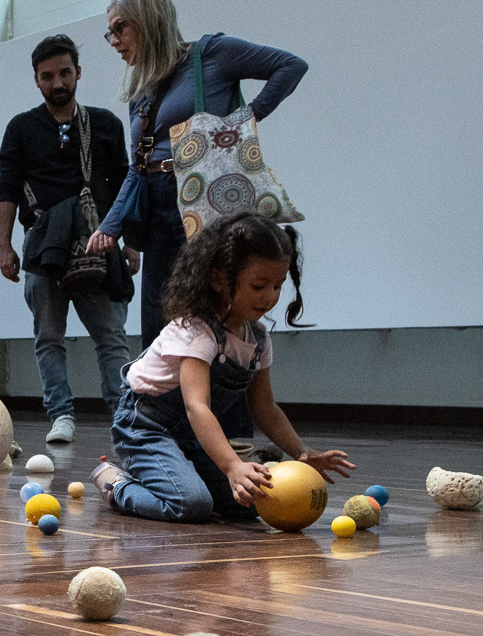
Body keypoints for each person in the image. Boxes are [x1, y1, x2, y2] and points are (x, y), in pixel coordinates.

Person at [89, 0, 306, 349]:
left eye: (120, 27)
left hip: (204, 197)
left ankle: (218, 400)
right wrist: (109, 226)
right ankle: (159, 404)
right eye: (110, 31)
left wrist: (245, 120)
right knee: (158, 322)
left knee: (212, 308)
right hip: (158, 204)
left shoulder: (212, 54)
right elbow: (136, 167)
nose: (114, 39)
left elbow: (290, 66)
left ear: (148, 20)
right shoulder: (140, 90)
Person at [93, 214, 350, 523]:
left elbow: (265, 407)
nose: (269, 298)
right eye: (258, 286)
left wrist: (302, 451)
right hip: (144, 428)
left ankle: (180, 472)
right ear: (218, 279)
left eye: (278, 286)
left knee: (253, 501)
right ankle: (117, 484)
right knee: (191, 504)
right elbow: (196, 406)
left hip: (193, 438)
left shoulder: (257, 341)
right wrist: (232, 466)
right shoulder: (197, 331)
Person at [0, 33, 135, 445]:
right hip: (43, 249)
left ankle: (123, 413)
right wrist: (4, 246)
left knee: (111, 337)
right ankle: (61, 415)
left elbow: (127, 185)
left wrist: (133, 242)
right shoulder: (21, 128)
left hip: (100, 244)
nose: (57, 82)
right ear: (37, 81)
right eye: (47, 75)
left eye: (65, 73)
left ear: (78, 73)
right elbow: (7, 189)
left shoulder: (106, 124)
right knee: (49, 338)